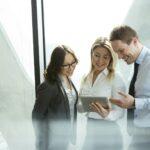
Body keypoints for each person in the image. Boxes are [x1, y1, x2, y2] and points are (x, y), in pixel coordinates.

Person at [78, 37, 126, 150]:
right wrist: (82, 106)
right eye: (97, 55)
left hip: (109, 132)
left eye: (105, 57)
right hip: (90, 129)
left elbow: (120, 112)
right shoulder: (86, 77)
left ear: (111, 59)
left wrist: (107, 114)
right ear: (91, 55)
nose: (100, 61)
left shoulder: (116, 78)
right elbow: (80, 107)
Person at [109, 25, 150, 150]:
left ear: (135, 41)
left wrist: (134, 102)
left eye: (121, 50)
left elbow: (136, 100)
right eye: (117, 53)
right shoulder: (136, 63)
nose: (120, 57)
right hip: (139, 131)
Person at [32, 45, 78, 150]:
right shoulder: (48, 85)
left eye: (73, 62)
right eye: (66, 65)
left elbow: (69, 105)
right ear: (57, 65)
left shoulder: (67, 79)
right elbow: (36, 116)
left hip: (66, 138)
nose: (71, 68)